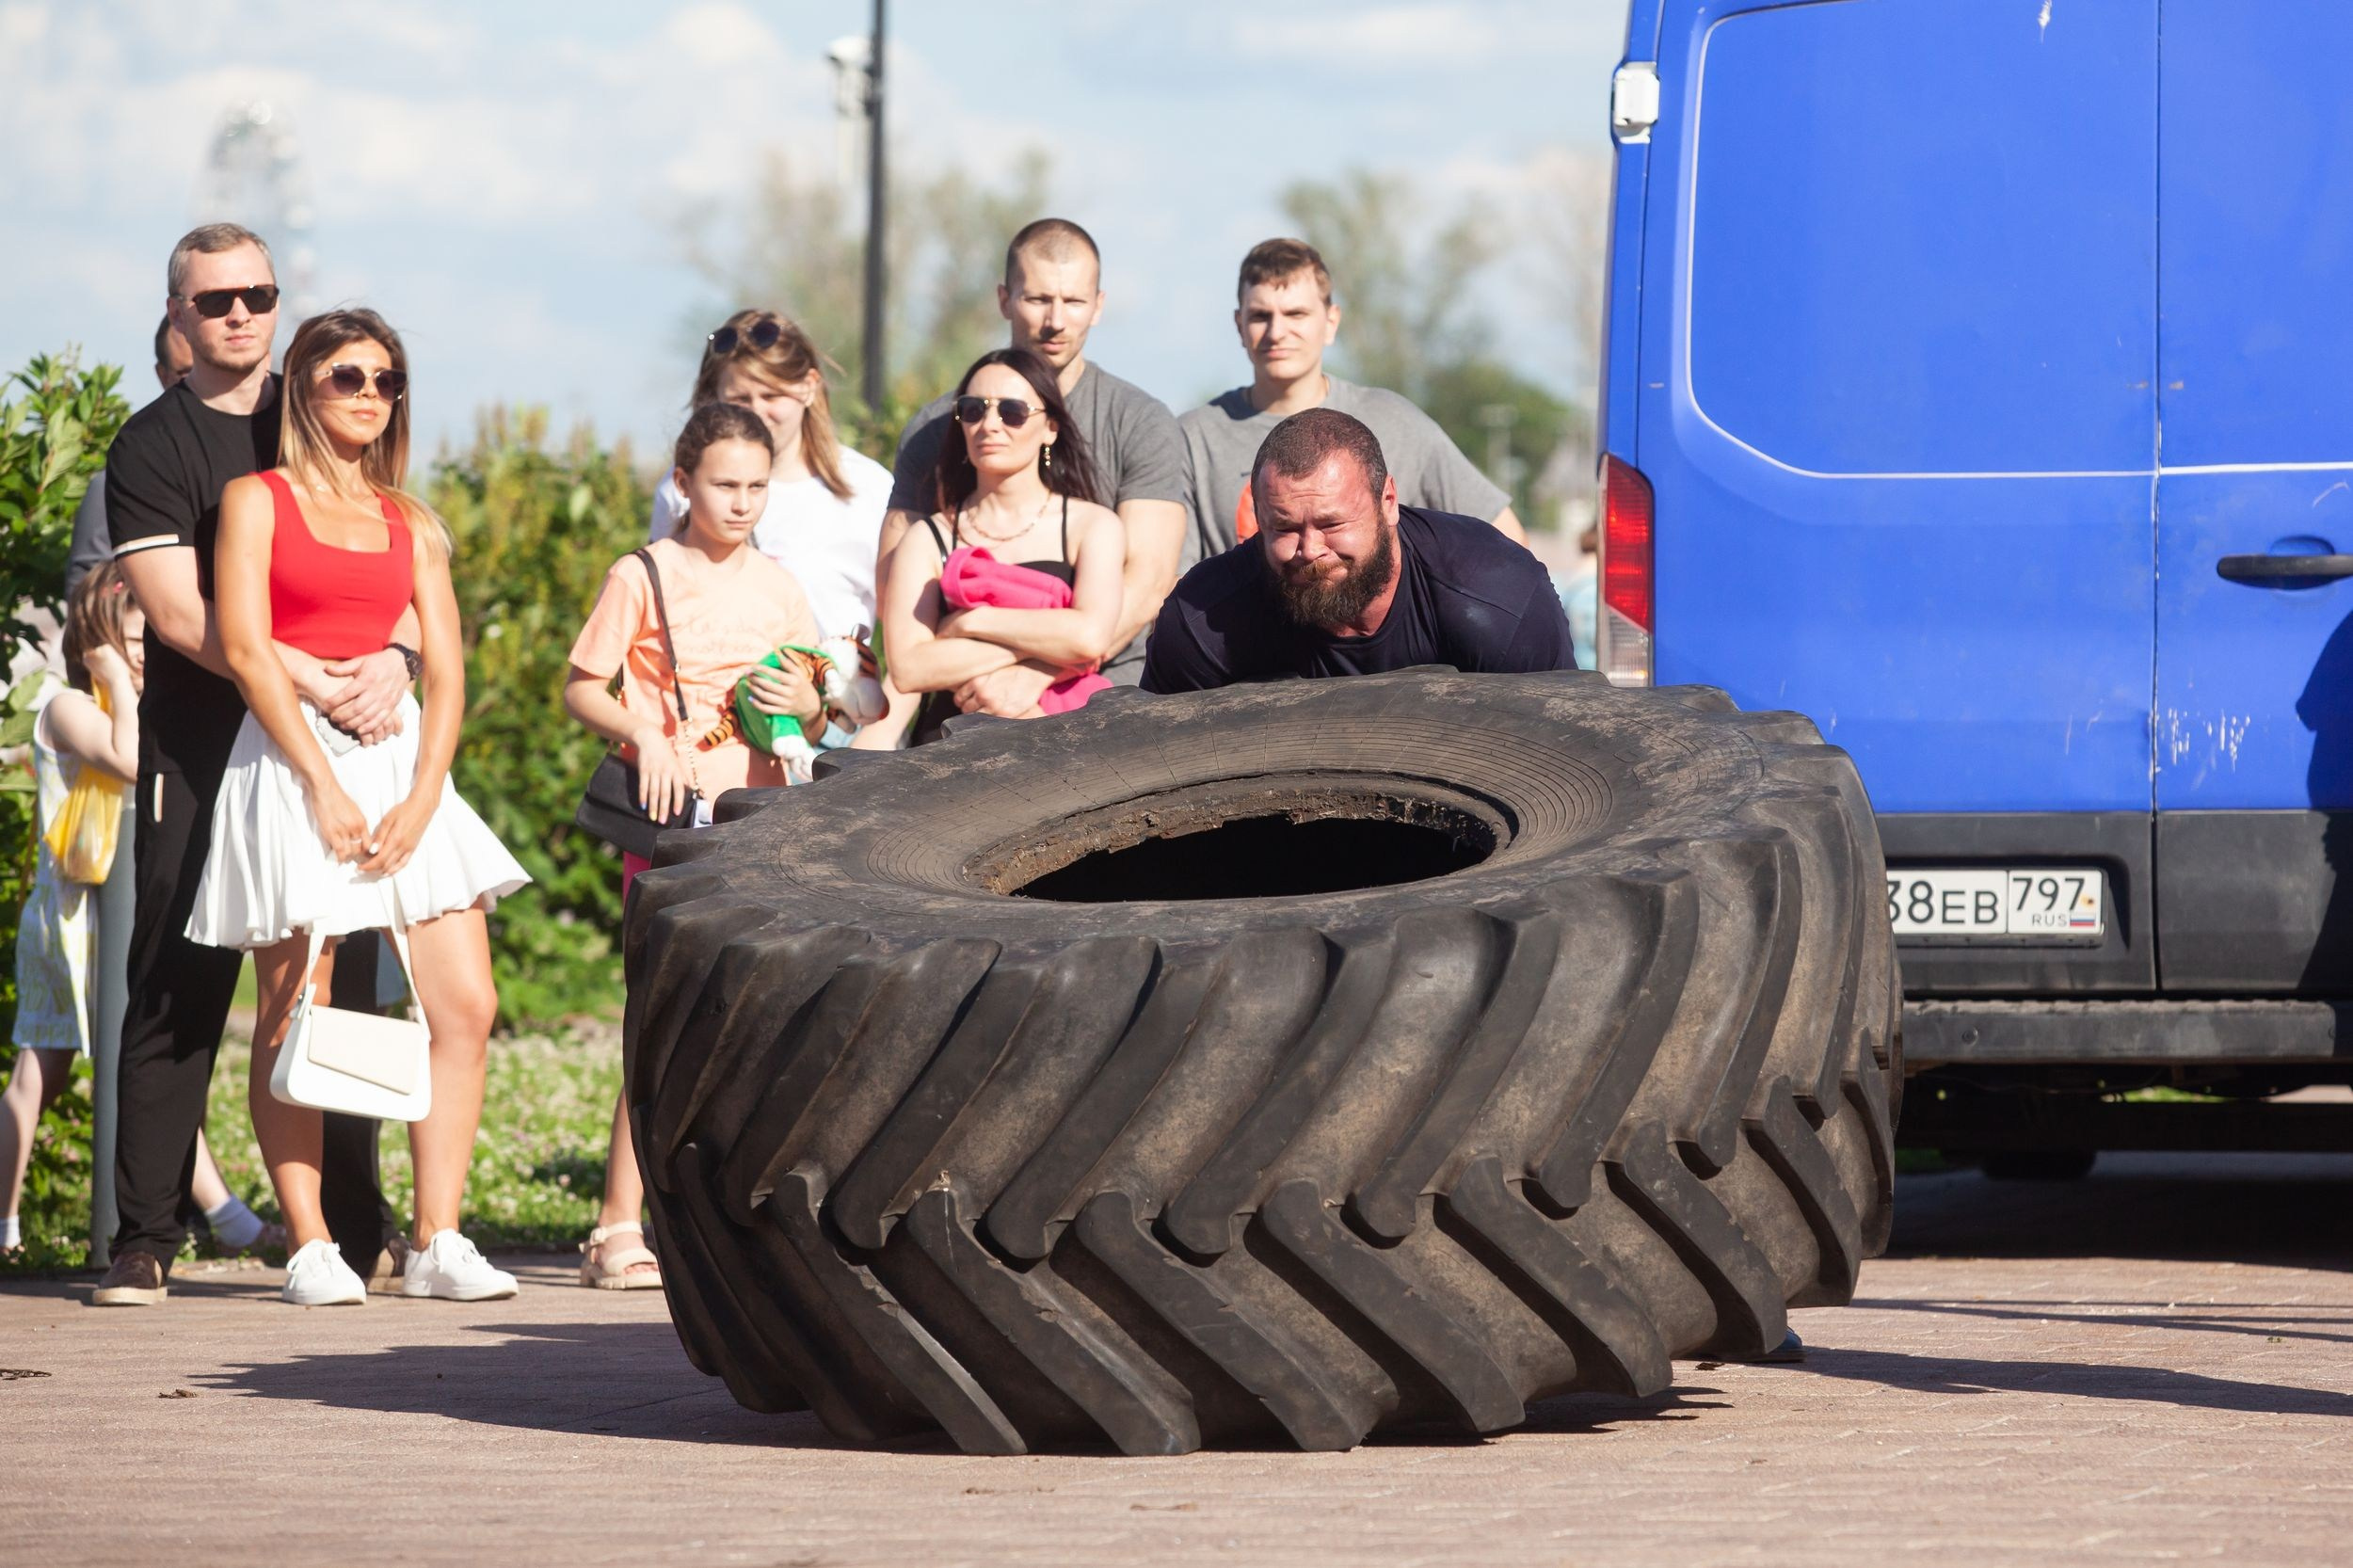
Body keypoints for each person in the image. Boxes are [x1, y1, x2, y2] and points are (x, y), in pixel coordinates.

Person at [94, 224, 418, 1307]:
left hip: (337, 746)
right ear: (177, 315)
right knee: (178, 976)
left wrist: (402, 658)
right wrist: (304, 673)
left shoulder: (324, 405)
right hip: (201, 746)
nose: (240, 313)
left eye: (259, 294)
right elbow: (178, 611)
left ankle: (355, 1226)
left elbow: (401, 554)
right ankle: (145, 1235)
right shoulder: (151, 446)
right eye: (215, 299)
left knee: (345, 982)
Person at [185, 307, 530, 1306]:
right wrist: (321, 783)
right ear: (303, 384)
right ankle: (310, 1245)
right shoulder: (256, 500)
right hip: (291, 761)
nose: (370, 394)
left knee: (465, 1003)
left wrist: (423, 795)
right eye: (348, 375)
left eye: (387, 379)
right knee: (297, 1002)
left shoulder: (410, 520)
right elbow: (245, 648)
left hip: (402, 766)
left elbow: (448, 673)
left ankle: (438, 1240)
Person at [565, 401, 825, 1288]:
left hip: (765, 820)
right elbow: (582, 686)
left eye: (757, 486)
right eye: (725, 485)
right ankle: (616, 1223)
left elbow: (812, 711)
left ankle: (735, 1225)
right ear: (683, 483)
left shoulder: (781, 585)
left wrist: (812, 701)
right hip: (675, 820)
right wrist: (642, 731)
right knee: (664, 1012)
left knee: (758, 1015)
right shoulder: (644, 572)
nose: (742, 502)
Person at [1, 566, 269, 1259]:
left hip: (127, 912)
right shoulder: (67, 706)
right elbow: (127, 758)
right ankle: (5, 1222)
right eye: (133, 641)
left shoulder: (147, 710)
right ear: (96, 642)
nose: (147, 655)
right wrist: (115, 680)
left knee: (149, 1061)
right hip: (75, 917)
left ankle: (228, 1217)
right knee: (42, 1071)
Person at [865, 219, 1182, 732]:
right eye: (1037, 299)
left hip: (1104, 702)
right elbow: (895, 590)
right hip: (959, 703)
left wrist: (1033, 671)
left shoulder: (1140, 421)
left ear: (1098, 305)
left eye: (1073, 302)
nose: (1055, 321)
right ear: (1004, 299)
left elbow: (1146, 582)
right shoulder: (938, 426)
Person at [1142, 409, 1576, 693]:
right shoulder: (1203, 623)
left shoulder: (1497, 598)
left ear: (1388, 502)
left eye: (1332, 524)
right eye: (1285, 528)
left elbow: (1570, 759)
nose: (1310, 550)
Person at [1176, 238, 1528, 575]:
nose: (1277, 331)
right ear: (1239, 325)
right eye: (1260, 316)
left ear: (1331, 322)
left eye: (1296, 313)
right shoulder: (1192, 438)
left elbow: (1508, 547)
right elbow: (1174, 583)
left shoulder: (1395, 422)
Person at [879, 348, 1126, 744]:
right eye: (973, 410)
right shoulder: (927, 536)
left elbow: (1090, 637)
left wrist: (970, 624)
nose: (989, 425)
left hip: (1068, 745)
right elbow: (908, 668)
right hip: (947, 748)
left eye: (1012, 411)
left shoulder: (1094, 525)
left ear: (1050, 428)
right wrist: (1050, 649)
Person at [646, 311, 890, 650]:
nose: (757, 412)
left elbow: (906, 629)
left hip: (831, 683)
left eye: (772, 396)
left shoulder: (869, 488)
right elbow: (657, 615)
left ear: (809, 387)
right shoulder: (682, 489)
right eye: (740, 399)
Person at [66, 318, 193, 600]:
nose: (203, 382)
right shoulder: (121, 479)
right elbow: (86, 598)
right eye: (187, 373)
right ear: (162, 375)